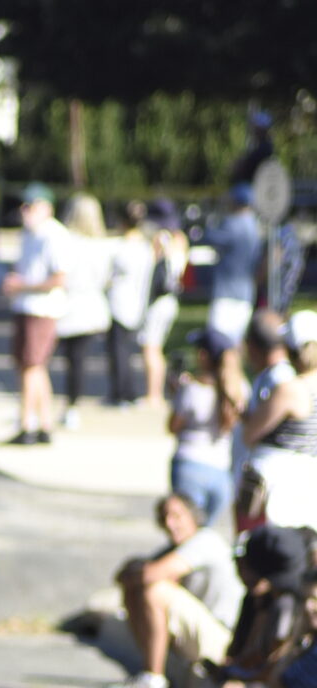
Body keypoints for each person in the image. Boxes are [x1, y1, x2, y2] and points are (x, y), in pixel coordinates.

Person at [126, 523, 309, 688]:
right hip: (256, 682)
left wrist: (236, 675)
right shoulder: (258, 601)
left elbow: (274, 672)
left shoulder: (287, 607)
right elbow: (243, 653)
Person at [103, 491, 243, 688]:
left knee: (154, 591)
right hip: (199, 636)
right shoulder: (173, 548)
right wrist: (135, 570)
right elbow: (122, 577)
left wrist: (137, 571)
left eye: (177, 516)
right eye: (164, 517)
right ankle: (149, 674)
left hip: (223, 640)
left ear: (193, 517)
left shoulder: (205, 540)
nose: (170, 523)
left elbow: (150, 574)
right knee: (135, 591)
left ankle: (153, 678)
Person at [1, 182, 71, 445]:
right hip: (25, 306)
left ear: (46, 208)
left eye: (31, 205)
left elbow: (59, 279)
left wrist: (23, 286)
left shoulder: (54, 235)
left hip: (42, 310)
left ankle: (27, 423)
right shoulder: (28, 234)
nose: (25, 210)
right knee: (32, 366)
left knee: (31, 366)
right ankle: (45, 423)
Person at [236, 309, 317, 532]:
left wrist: (246, 416)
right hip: (308, 480)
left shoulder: (291, 389)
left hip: (279, 484)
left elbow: (250, 433)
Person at [167, 327, 246, 525]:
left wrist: (176, 395)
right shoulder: (240, 388)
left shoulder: (192, 389)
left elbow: (173, 426)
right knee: (204, 536)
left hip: (189, 463)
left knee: (185, 535)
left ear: (204, 355)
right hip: (221, 470)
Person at [56, 192, 111, 428]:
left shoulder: (66, 242)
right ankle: (72, 404)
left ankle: (70, 404)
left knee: (72, 359)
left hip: (71, 306)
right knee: (78, 360)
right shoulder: (102, 246)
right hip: (90, 307)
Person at [140, 199, 189, 407]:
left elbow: (152, 263)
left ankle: (153, 394)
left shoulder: (163, 239)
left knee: (151, 347)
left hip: (159, 299)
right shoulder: (181, 240)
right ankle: (156, 392)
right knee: (156, 346)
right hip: (171, 299)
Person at [105, 201, 154, 406]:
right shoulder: (145, 249)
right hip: (136, 304)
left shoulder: (119, 248)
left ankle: (121, 393)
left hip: (119, 304)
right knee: (126, 351)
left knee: (119, 352)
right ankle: (127, 391)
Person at [203, 184, 263, 345]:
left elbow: (209, 237)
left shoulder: (232, 223)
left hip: (226, 292)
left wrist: (211, 219)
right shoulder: (255, 226)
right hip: (246, 293)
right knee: (234, 345)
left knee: (216, 343)